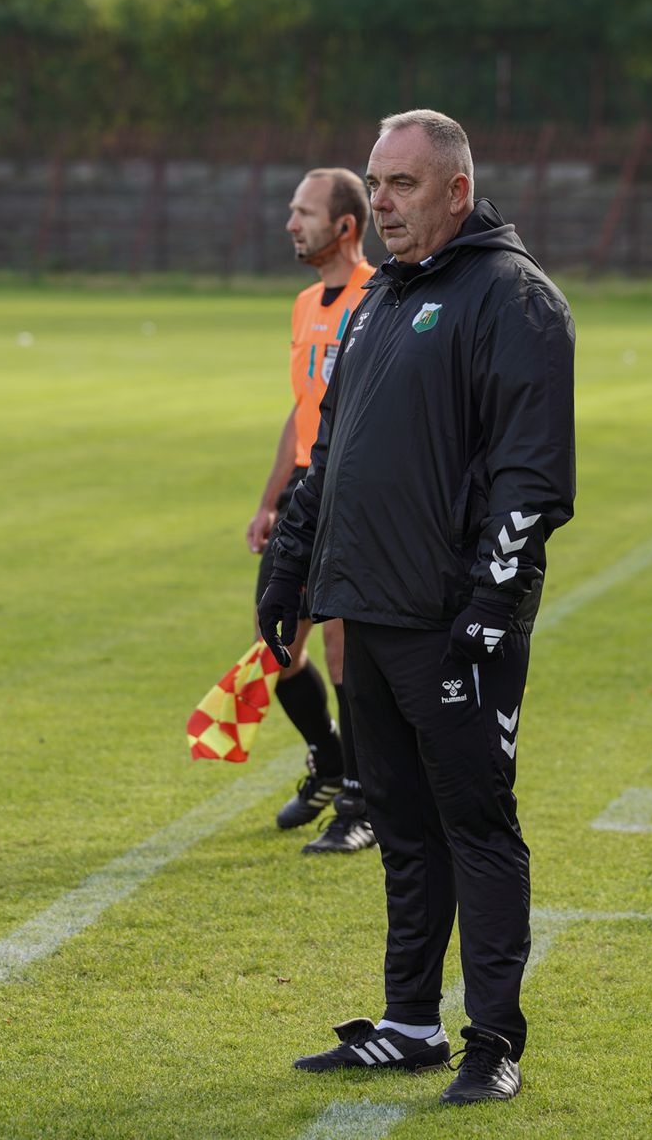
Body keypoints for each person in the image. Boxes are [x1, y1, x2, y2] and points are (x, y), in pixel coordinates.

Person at [258, 110, 574, 1105]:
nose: (382, 202)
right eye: (375, 180)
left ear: (456, 192)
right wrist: (292, 567)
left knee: (476, 821)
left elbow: (533, 474)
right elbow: (331, 452)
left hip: (453, 621)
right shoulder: (380, 298)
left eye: (400, 183)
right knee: (399, 820)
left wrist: (496, 598)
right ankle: (407, 1023)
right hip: (369, 607)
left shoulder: (514, 298)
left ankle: (495, 1040)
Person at [250, 168, 378, 855]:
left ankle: (362, 800)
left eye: (303, 212)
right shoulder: (304, 304)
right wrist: (269, 500)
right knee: (277, 641)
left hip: (352, 488)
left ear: (345, 226)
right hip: (304, 489)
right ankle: (328, 761)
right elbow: (301, 413)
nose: (291, 223)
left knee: (342, 644)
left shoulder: (380, 295)